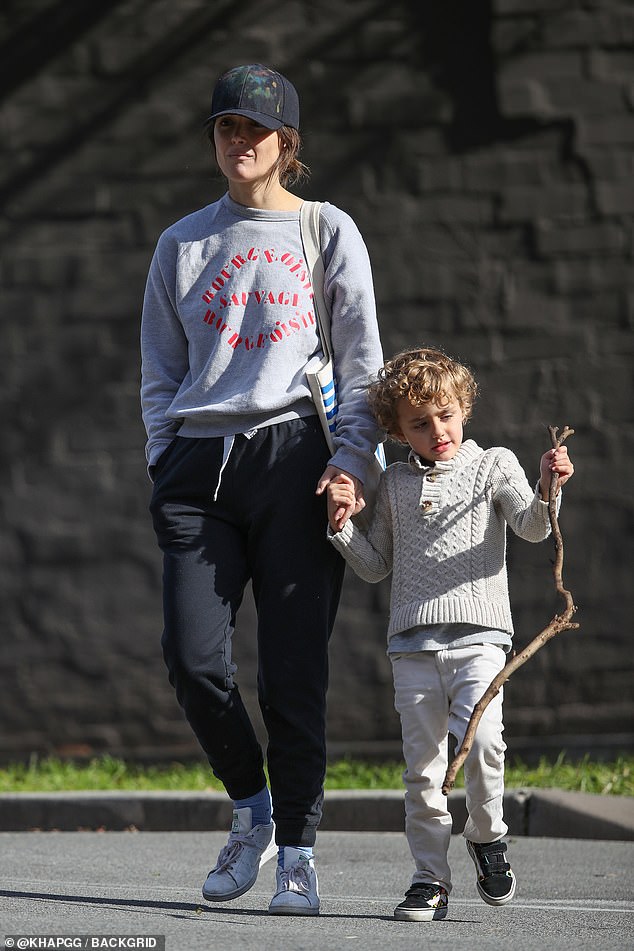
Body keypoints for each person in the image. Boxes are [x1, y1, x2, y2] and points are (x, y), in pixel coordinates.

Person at [140, 63, 383, 916]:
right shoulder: (183, 243)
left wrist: (350, 460)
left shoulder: (324, 229)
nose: (239, 141)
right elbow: (160, 371)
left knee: (292, 672)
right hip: (198, 466)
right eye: (225, 128)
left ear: (288, 143)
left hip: (295, 461)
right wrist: (162, 458)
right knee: (193, 656)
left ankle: (299, 855)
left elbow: (363, 365)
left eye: (255, 128)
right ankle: (254, 809)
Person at [326, 346, 574, 922]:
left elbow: (533, 528)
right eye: (419, 423)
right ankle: (429, 879)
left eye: (445, 414)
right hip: (412, 646)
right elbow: (375, 565)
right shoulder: (390, 484)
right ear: (396, 431)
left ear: (464, 407)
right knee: (424, 768)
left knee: (484, 744)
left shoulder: (493, 464)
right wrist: (341, 528)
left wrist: (548, 486)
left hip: (481, 639)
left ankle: (487, 837)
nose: (437, 430)